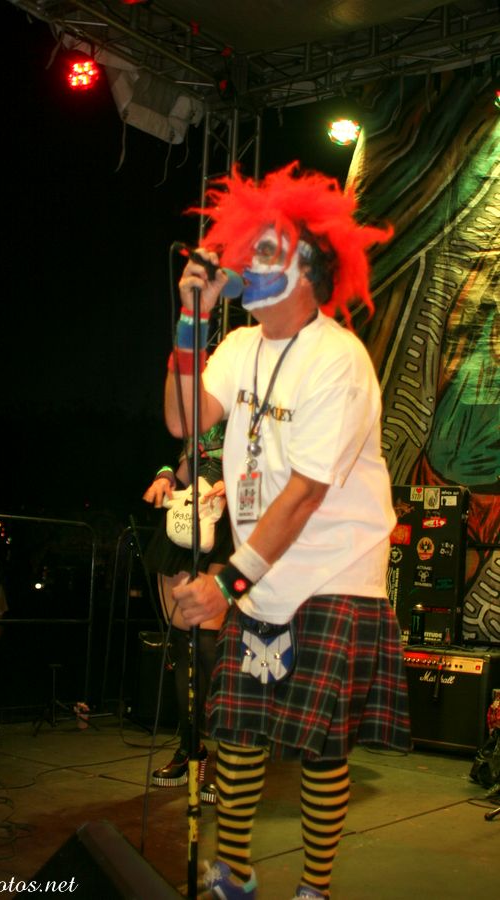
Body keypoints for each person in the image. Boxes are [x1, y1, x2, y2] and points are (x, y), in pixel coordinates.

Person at [162, 163, 412, 900]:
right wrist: (191, 320)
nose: (246, 259)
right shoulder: (239, 347)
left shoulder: (339, 359)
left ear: (308, 266)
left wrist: (225, 584)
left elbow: (304, 496)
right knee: (237, 734)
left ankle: (313, 889)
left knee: (319, 746)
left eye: (266, 248)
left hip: (335, 571)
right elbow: (181, 419)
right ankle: (235, 876)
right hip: (261, 572)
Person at [142, 424, 233, 803]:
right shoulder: (193, 411)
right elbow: (178, 461)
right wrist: (164, 476)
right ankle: (190, 748)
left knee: (210, 646)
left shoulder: (252, 402)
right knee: (184, 644)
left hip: (228, 518)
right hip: (185, 515)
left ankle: (228, 758)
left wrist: (238, 482)